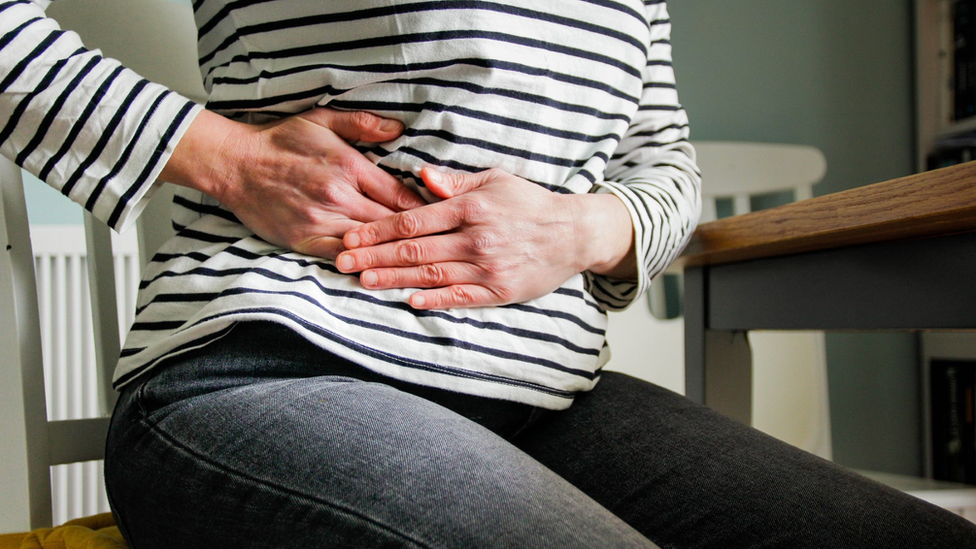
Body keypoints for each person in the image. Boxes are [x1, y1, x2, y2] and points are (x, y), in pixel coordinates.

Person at [3, 0, 975, 546]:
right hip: (274, 367)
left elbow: (665, 157)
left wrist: (592, 226)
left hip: (553, 401)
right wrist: (224, 155)